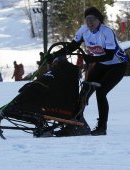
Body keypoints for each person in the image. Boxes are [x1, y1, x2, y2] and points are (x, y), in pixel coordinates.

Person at [50, 7, 128, 136]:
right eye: (87, 20)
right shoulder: (83, 30)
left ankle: (102, 128)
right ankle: (74, 123)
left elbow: (109, 55)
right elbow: (72, 46)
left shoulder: (106, 32)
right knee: (84, 92)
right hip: (101, 63)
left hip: (117, 65)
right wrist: (55, 54)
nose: (90, 23)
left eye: (92, 20)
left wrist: (91, 58)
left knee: (101, 92)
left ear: (99, 20)